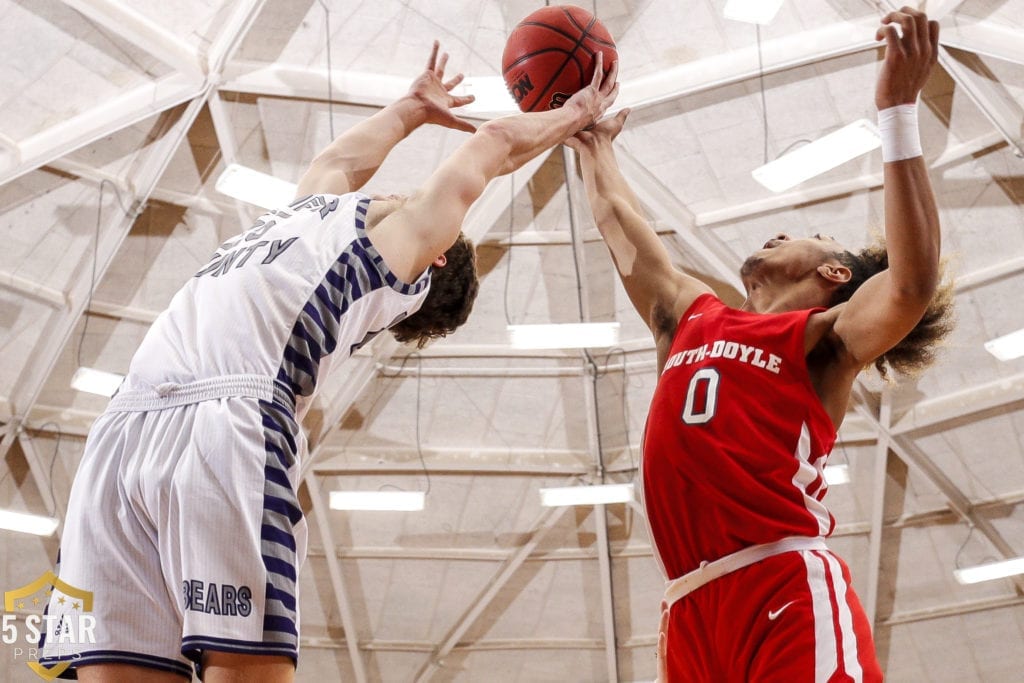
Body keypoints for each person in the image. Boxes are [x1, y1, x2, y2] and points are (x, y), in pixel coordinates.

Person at [40, 43, 619, 682]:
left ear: (432, 260)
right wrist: (409, 110)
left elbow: (490, 149)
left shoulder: (396, 254)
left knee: (246, 670)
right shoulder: (312, 214)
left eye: (446, 230)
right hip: (124, 423)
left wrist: (577, 112)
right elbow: (338, 161)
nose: (414, 196)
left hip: (228, 419)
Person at [569, 9, 952, 682]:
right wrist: (595, 147)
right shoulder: (692, 316)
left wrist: (897, 111)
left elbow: (910, 283)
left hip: (782, 586)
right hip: (688, 608)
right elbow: (620, 226)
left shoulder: (823, 342)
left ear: (835, 272)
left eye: (806, 233)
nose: (779, 232)